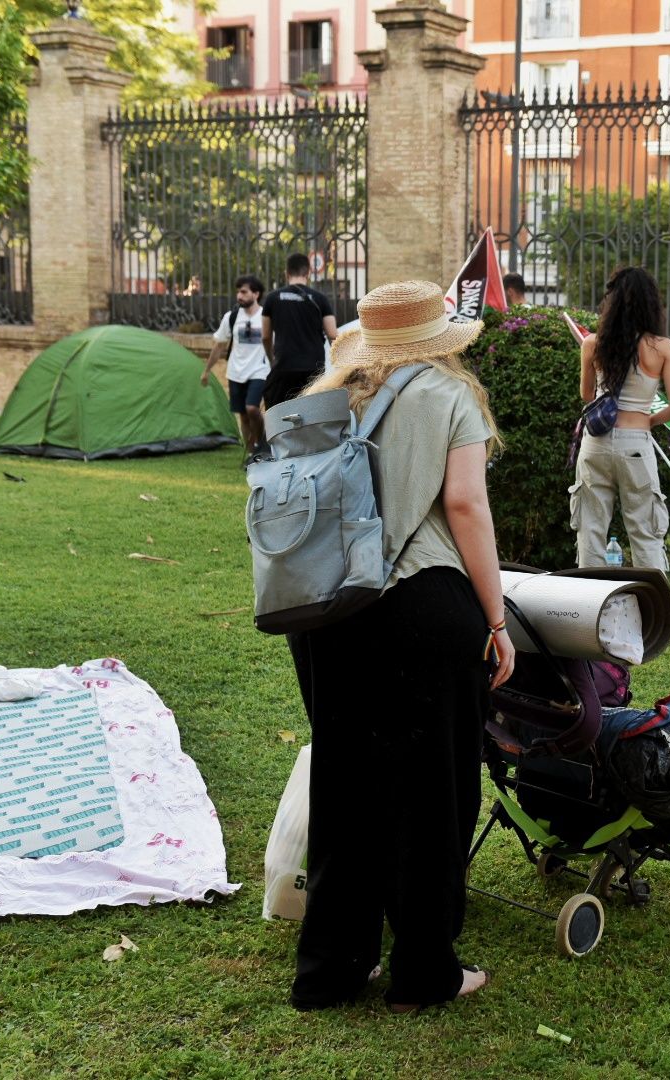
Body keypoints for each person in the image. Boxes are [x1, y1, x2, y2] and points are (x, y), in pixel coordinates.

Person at [284, 280, 512, 1014]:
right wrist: (499, 620)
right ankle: (423, 973)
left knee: (345, 786)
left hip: (324, 610)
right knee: (433, 794)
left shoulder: (326, 397)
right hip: (420, 608)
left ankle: (331, 970)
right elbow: (466, 506)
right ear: (439, 340)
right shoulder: (451, 399)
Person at [573, 266, 670, 572]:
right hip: (636, 443)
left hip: (595, 442)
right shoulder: (661, 347)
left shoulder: (592, 344)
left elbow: (587, 396)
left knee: (590, 531)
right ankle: (658, 616)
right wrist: (647, 421)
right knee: (646, 532)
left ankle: (587, 611)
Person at [201, 274, 268, 463]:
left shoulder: (265, 316)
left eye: (244, 291)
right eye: (238, 291)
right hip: (236, 372)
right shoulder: (231, 317)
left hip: (259, 370)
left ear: (256, 294)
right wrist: (206, 370)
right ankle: (250, 453)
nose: (239, 295)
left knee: (252, 408)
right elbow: (219, 345)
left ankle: (262, 443)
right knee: (243, 416)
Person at [261, 253, 338, 408]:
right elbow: (332, 334)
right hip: (313, 369)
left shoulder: (272, 298)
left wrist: (271, 359)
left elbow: (265, 336)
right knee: (311, 416)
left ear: (286, 273)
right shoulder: (320, 299)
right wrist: (338, 364)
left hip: (284, 365)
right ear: (308, 273)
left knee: (277, 414)